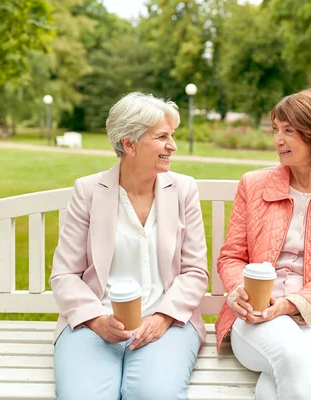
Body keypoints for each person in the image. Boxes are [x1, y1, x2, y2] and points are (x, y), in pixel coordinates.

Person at [214, 88, 311, 400]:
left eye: (289, 130)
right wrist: (240, 292)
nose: (278, 140)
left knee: (273, 390)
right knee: (296, 361)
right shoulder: (253, 185)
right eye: (275, 129)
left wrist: (292, 305)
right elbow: (232, 256)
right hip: (256, 316)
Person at [50, 92, 209, 400]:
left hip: (168, 321)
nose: (172, 146)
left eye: (171, 136)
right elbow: (64, 274)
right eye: (162, 137)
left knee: (154, 394)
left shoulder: (184, 190)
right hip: (94, 323)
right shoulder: (88, 191)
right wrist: (97, 320)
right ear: (129, 144)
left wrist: (162, 317)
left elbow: (195, 271)